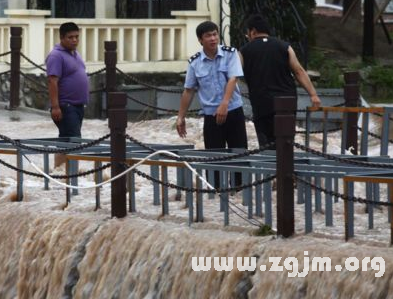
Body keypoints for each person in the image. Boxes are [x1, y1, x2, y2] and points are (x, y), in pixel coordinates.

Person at [176, 21, 248, 188]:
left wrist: (224, 103)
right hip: (211, 116)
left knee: (239, 155)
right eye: (208, 36)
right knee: (213, 158)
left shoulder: (231, 54)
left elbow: (233, 78)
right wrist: (180, 117)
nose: (213, 38)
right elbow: (188, 90)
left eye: (215, 34)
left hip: (233, 111)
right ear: (201, 40)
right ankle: (214, 195)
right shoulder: (195, 62)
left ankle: (239, 192)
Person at [239, 14, 321, 148]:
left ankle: (271, 168)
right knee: (286, 143)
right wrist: (313, 94)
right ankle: (287, 168)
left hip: (262, 103)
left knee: (267, 146)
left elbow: (234, 76)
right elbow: (299, 71)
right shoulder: (284, 47)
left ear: (252, 31)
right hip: (287, 103)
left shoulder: (244, 51)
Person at [46, 22, 89, 166]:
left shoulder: (75, 54)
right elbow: (52, 81)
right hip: (66, 106)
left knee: (66, 141)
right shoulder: (56, 56)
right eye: (70, 37)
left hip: (77, 106)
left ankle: (60, 173)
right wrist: (55, 106)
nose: (75, 40)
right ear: (62, 38)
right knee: (74, 142)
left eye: (77, 37)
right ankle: (71, 178)